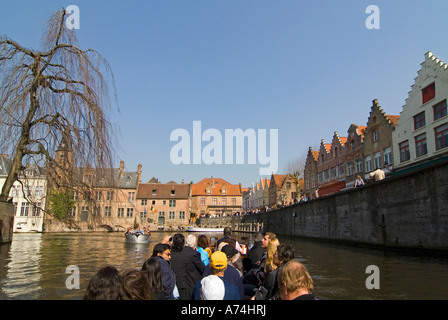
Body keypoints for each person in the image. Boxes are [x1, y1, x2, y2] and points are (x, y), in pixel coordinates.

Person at [170, 234, 205, 300]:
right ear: (195, 244)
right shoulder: (194, 254)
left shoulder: (173, 252)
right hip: (188, 285)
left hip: (176, 284)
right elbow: (203, 269)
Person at [243, 232, 276, 297]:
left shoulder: (267, 258)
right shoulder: (265, 255)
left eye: (265, 239)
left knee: (241, 287)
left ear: (270, 242)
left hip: (260, 288)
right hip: (260, 285)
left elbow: (262, 277)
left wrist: (255, 271)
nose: (262, 240)